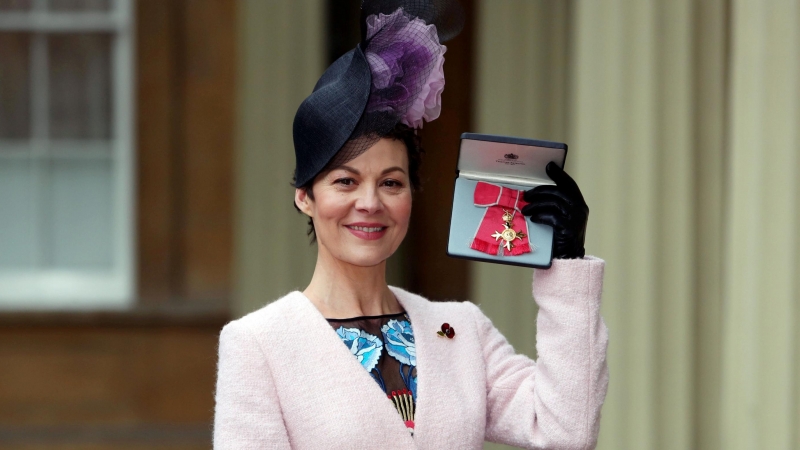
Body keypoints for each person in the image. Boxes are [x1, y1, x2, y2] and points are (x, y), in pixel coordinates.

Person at [213, 1, 608, 448]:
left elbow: (566, 431)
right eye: (345, 181)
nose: (370, 202)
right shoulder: (259, 343)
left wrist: (568, 265)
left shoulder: (461, 329)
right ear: (305, 197)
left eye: (391, 183)